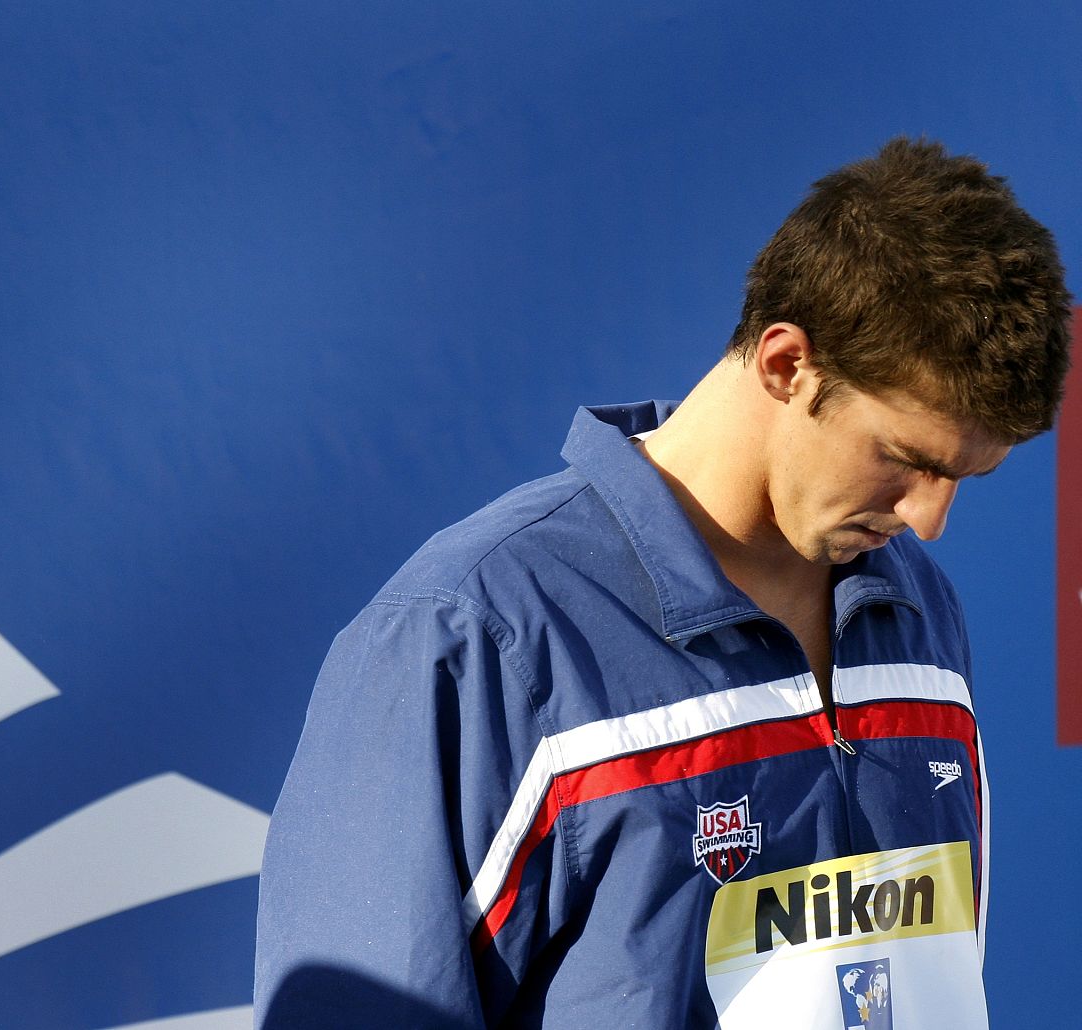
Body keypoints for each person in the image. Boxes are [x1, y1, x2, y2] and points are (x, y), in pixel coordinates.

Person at [254, 138, 1071, 1029]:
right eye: (905, 461)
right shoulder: (472, 633)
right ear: (787, 363)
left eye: (963, 479)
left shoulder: (917, 605)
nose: (929, 520)